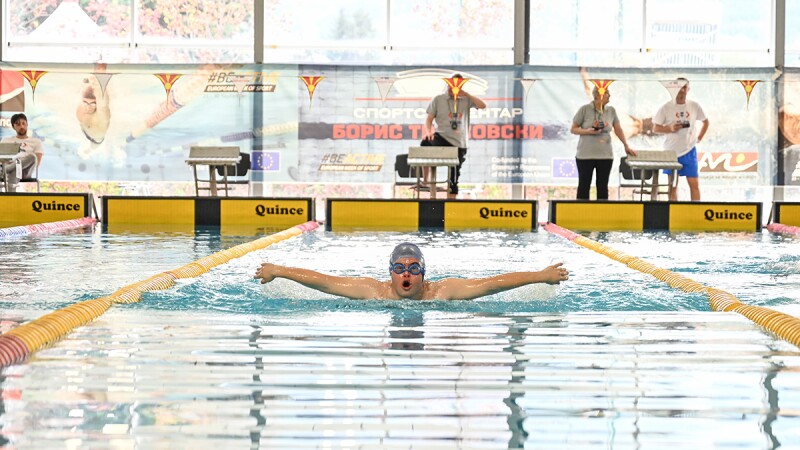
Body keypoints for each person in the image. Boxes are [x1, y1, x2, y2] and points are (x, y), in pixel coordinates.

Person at [254, 242, 569, 301]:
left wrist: (541, 275)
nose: (407, 274)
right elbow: (325, 283)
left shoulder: (443, 291)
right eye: (401, 269)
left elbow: (491, 285)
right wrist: (277, 270)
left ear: (424, 274)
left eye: (414, 268)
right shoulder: (373, 291)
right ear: (390, 273)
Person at [420, 74, 486, 199]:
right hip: (442, 137)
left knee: (454, 179)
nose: (452, 90)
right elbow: (429, 119)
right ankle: (425, 180)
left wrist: (466, 94)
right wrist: (429, 132)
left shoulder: (466, 100)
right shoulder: (438, 99)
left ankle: (451, 204)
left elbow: (483, 106)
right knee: (425, 143)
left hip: (459, 143)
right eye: (451, 87)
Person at [570, 87, 636, 200]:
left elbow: (618, 129)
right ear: (598, 96)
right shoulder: (585, 109)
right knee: (584, 185)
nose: (609, 96)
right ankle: (581, 213)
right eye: (607, 93)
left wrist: (626, 145)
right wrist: (587, 131)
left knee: (602, 186)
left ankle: (602, 213)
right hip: (585, 155)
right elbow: (573, 129)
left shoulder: (611, 111)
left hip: (605, 155)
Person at [653, 77, 709, 201]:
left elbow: (706, 122)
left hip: (689, 151)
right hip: (671, 153)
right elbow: (655, 128)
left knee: (694, 184)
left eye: (684, 87)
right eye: (679, 87)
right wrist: (670, 128)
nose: (682, 90)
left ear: (688, 89)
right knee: (672, 186)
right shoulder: (666, 108)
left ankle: (697, 212)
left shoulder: (694, 106)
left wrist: (699, 137)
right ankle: (673, 212)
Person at [1, 113, 43, 192]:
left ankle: (7, 169)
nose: (22, 127)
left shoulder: (36, 141)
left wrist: (17, 164)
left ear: (27, 125)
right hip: (12, 169)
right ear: (13, 127)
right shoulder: (6, 140)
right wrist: (14, 165)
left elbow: (37, 163)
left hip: (26, 171)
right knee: (15, 170)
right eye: (18, 124)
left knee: (32, 156)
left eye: (23, 123)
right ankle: (11, 198)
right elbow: (1, 159)